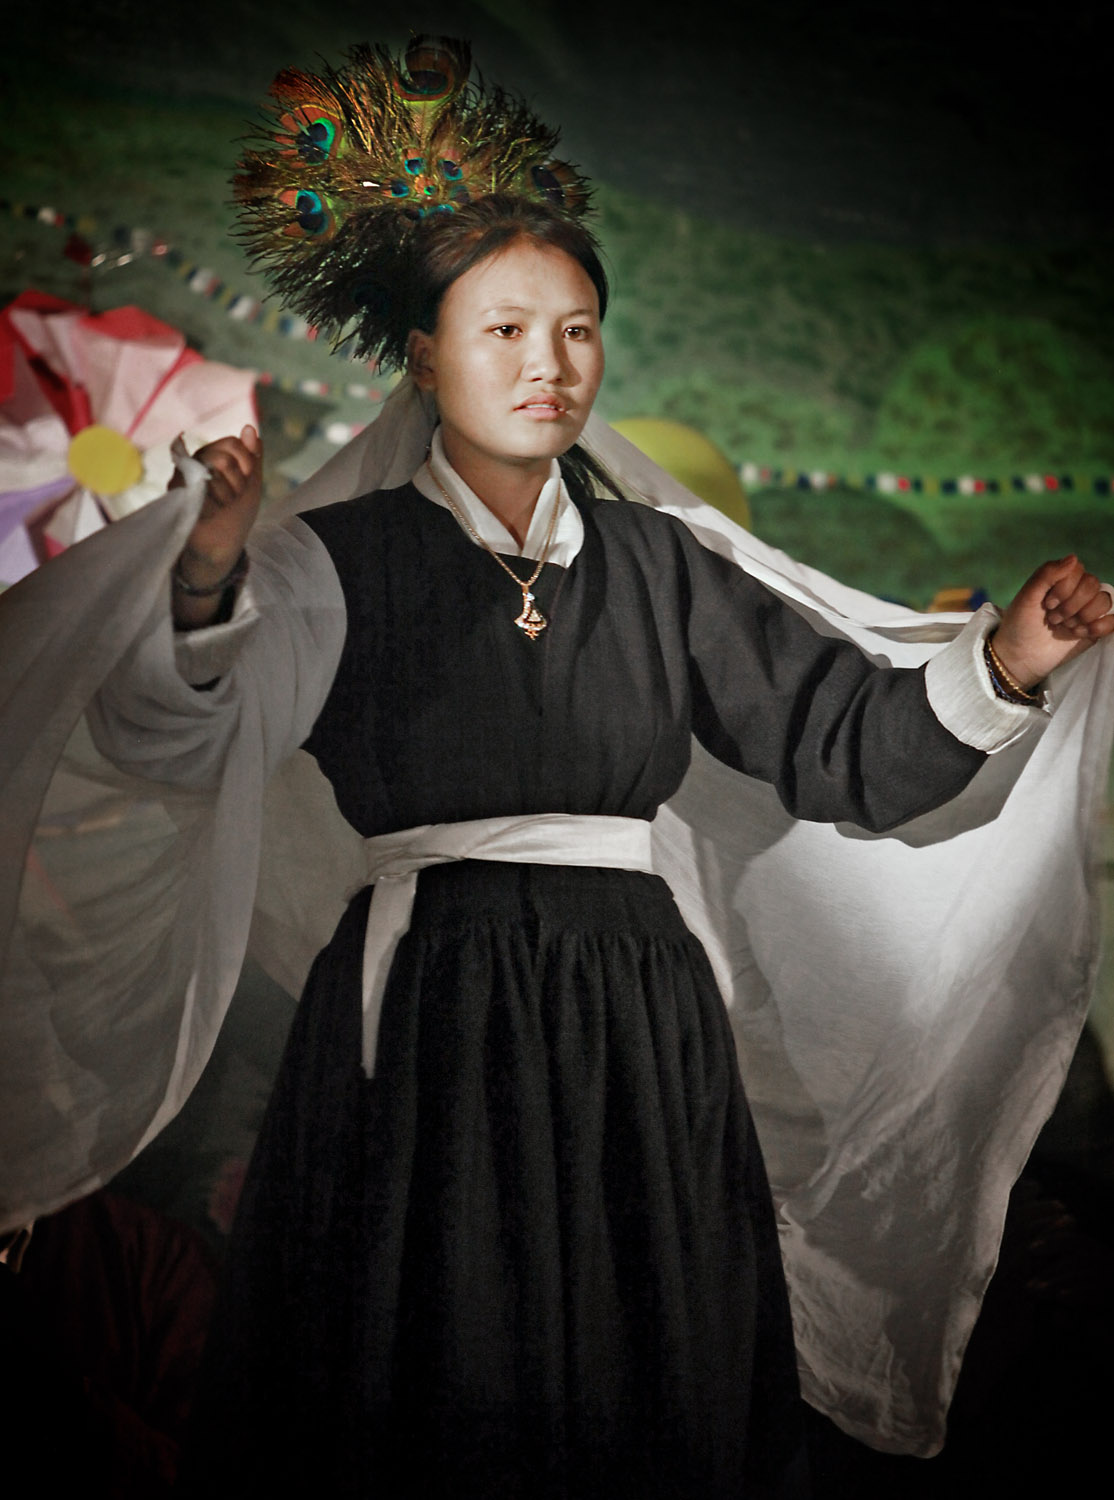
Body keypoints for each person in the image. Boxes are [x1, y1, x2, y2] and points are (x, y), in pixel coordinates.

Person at [1, 36, 1111, 1500]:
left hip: (637, 1011)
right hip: (434, 1000)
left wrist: (1010, 661)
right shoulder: (344, 564)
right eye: (507, 332)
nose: (548, 366)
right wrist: (208, 580)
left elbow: (839, 744)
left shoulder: (660, 565)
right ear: (426, 353)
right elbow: (184, 734)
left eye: (576, 331)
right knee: (434, 1355)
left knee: (638, 1357)